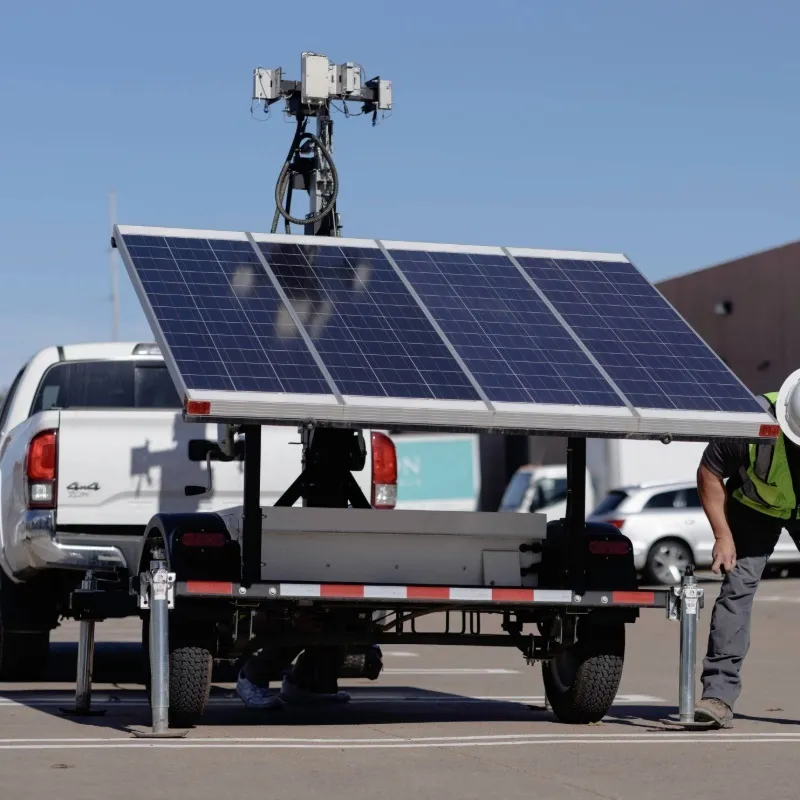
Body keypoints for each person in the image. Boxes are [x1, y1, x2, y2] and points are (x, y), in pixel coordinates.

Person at [694, 389, 800, 727]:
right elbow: (709, 472)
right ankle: (718, 697)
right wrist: (723, 536)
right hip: (755, 510)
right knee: (737, 591)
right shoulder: (749, 425)